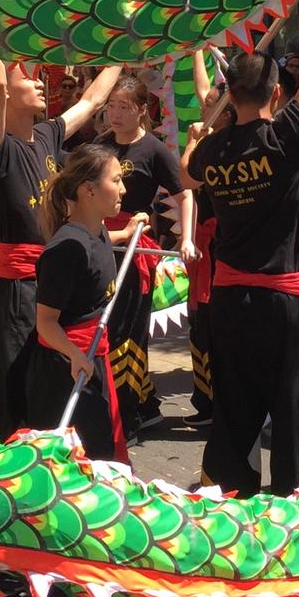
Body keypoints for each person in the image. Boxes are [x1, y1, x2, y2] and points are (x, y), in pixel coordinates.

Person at [181, 0, 299, 497]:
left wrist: (211, 121)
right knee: (295, 407)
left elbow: (185, 173)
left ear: (232, 94)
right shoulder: (284, 137)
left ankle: (227, 505)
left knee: (233, 406)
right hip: (281, 302)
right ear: (276, 91)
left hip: (229, 300)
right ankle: (295, 513)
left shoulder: (213, 150)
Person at [0, 58, 121, 442]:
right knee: (16, 391)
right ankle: (13, 477)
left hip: (57, 282)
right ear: (6, 91)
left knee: (56, 389)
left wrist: (124, 52)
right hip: (18, 294)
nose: (41, 84)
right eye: (29, 78)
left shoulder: (46, 135)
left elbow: (91, 102)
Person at [22, 145, 128, 597]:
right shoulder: (66, 247)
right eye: (116, 181)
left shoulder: (98, 230)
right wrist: (75, 356)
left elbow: (103, 255)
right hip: (67, 373)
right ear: (88, 191)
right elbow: (44, 324)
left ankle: (86, 580)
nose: (123, 189)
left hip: (89, 365)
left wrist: (134, 229)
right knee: (70, 485)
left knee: (100, 474)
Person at [96, 76, 195, 442]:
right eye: (111, 106)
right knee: (105, 327)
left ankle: (130, 416)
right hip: (102, 242)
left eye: (124, 107)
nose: (116, 114)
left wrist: (186, 237)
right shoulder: (100, 146)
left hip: (135, 248)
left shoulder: (153, 150)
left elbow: (184, 194)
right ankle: (147, 406)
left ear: (142, 110)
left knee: (128, 333)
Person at [183, 53, 236, 428]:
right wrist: (196, 48)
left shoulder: (225, 146)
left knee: (219, 321)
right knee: (199, 320)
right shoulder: (207, 138)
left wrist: (193, 144)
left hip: (225, 243)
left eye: (215, 105)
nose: (207, 107)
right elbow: (205, 89)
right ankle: (206, 398)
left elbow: (188, 180)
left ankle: (224, 400)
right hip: (202, 245)